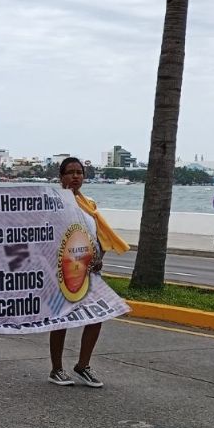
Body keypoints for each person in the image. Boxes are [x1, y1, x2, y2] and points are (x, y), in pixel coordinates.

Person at [48, 157, 130, 388]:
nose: (76, 176)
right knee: (61, 319)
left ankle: (83, 365)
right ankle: (56, 369)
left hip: (90, 272)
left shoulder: (89, 204)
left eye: (79, 172)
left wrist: (99, 259)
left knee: (97, 315)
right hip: (63, 271)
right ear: (61, 177)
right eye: (70, 172)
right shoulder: (54, 204)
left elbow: (98, 236)